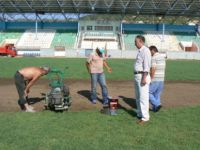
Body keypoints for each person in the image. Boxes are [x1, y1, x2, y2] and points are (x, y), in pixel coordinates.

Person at [134, 35, 151, 125]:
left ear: (141, 41)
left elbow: (147, 66)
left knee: (143, 98)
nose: (134, 43)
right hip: (137, 75)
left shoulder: (146, 50)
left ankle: (145, 117)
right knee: (137, 97)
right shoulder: (140, 51)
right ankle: (139, 113)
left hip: (142, 76)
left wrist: (144, 78)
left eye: (136, 41)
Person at [149, 46, 166, 112]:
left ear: (152, 50)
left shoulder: (154, 58)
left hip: (155, 79)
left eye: (149, 51)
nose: (149, 53)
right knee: (157, 94)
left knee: (148, 92)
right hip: (162, 79)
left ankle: (157, 104)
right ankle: (155, 109)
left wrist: (151, 78)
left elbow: (153, 69)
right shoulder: (162, 57)